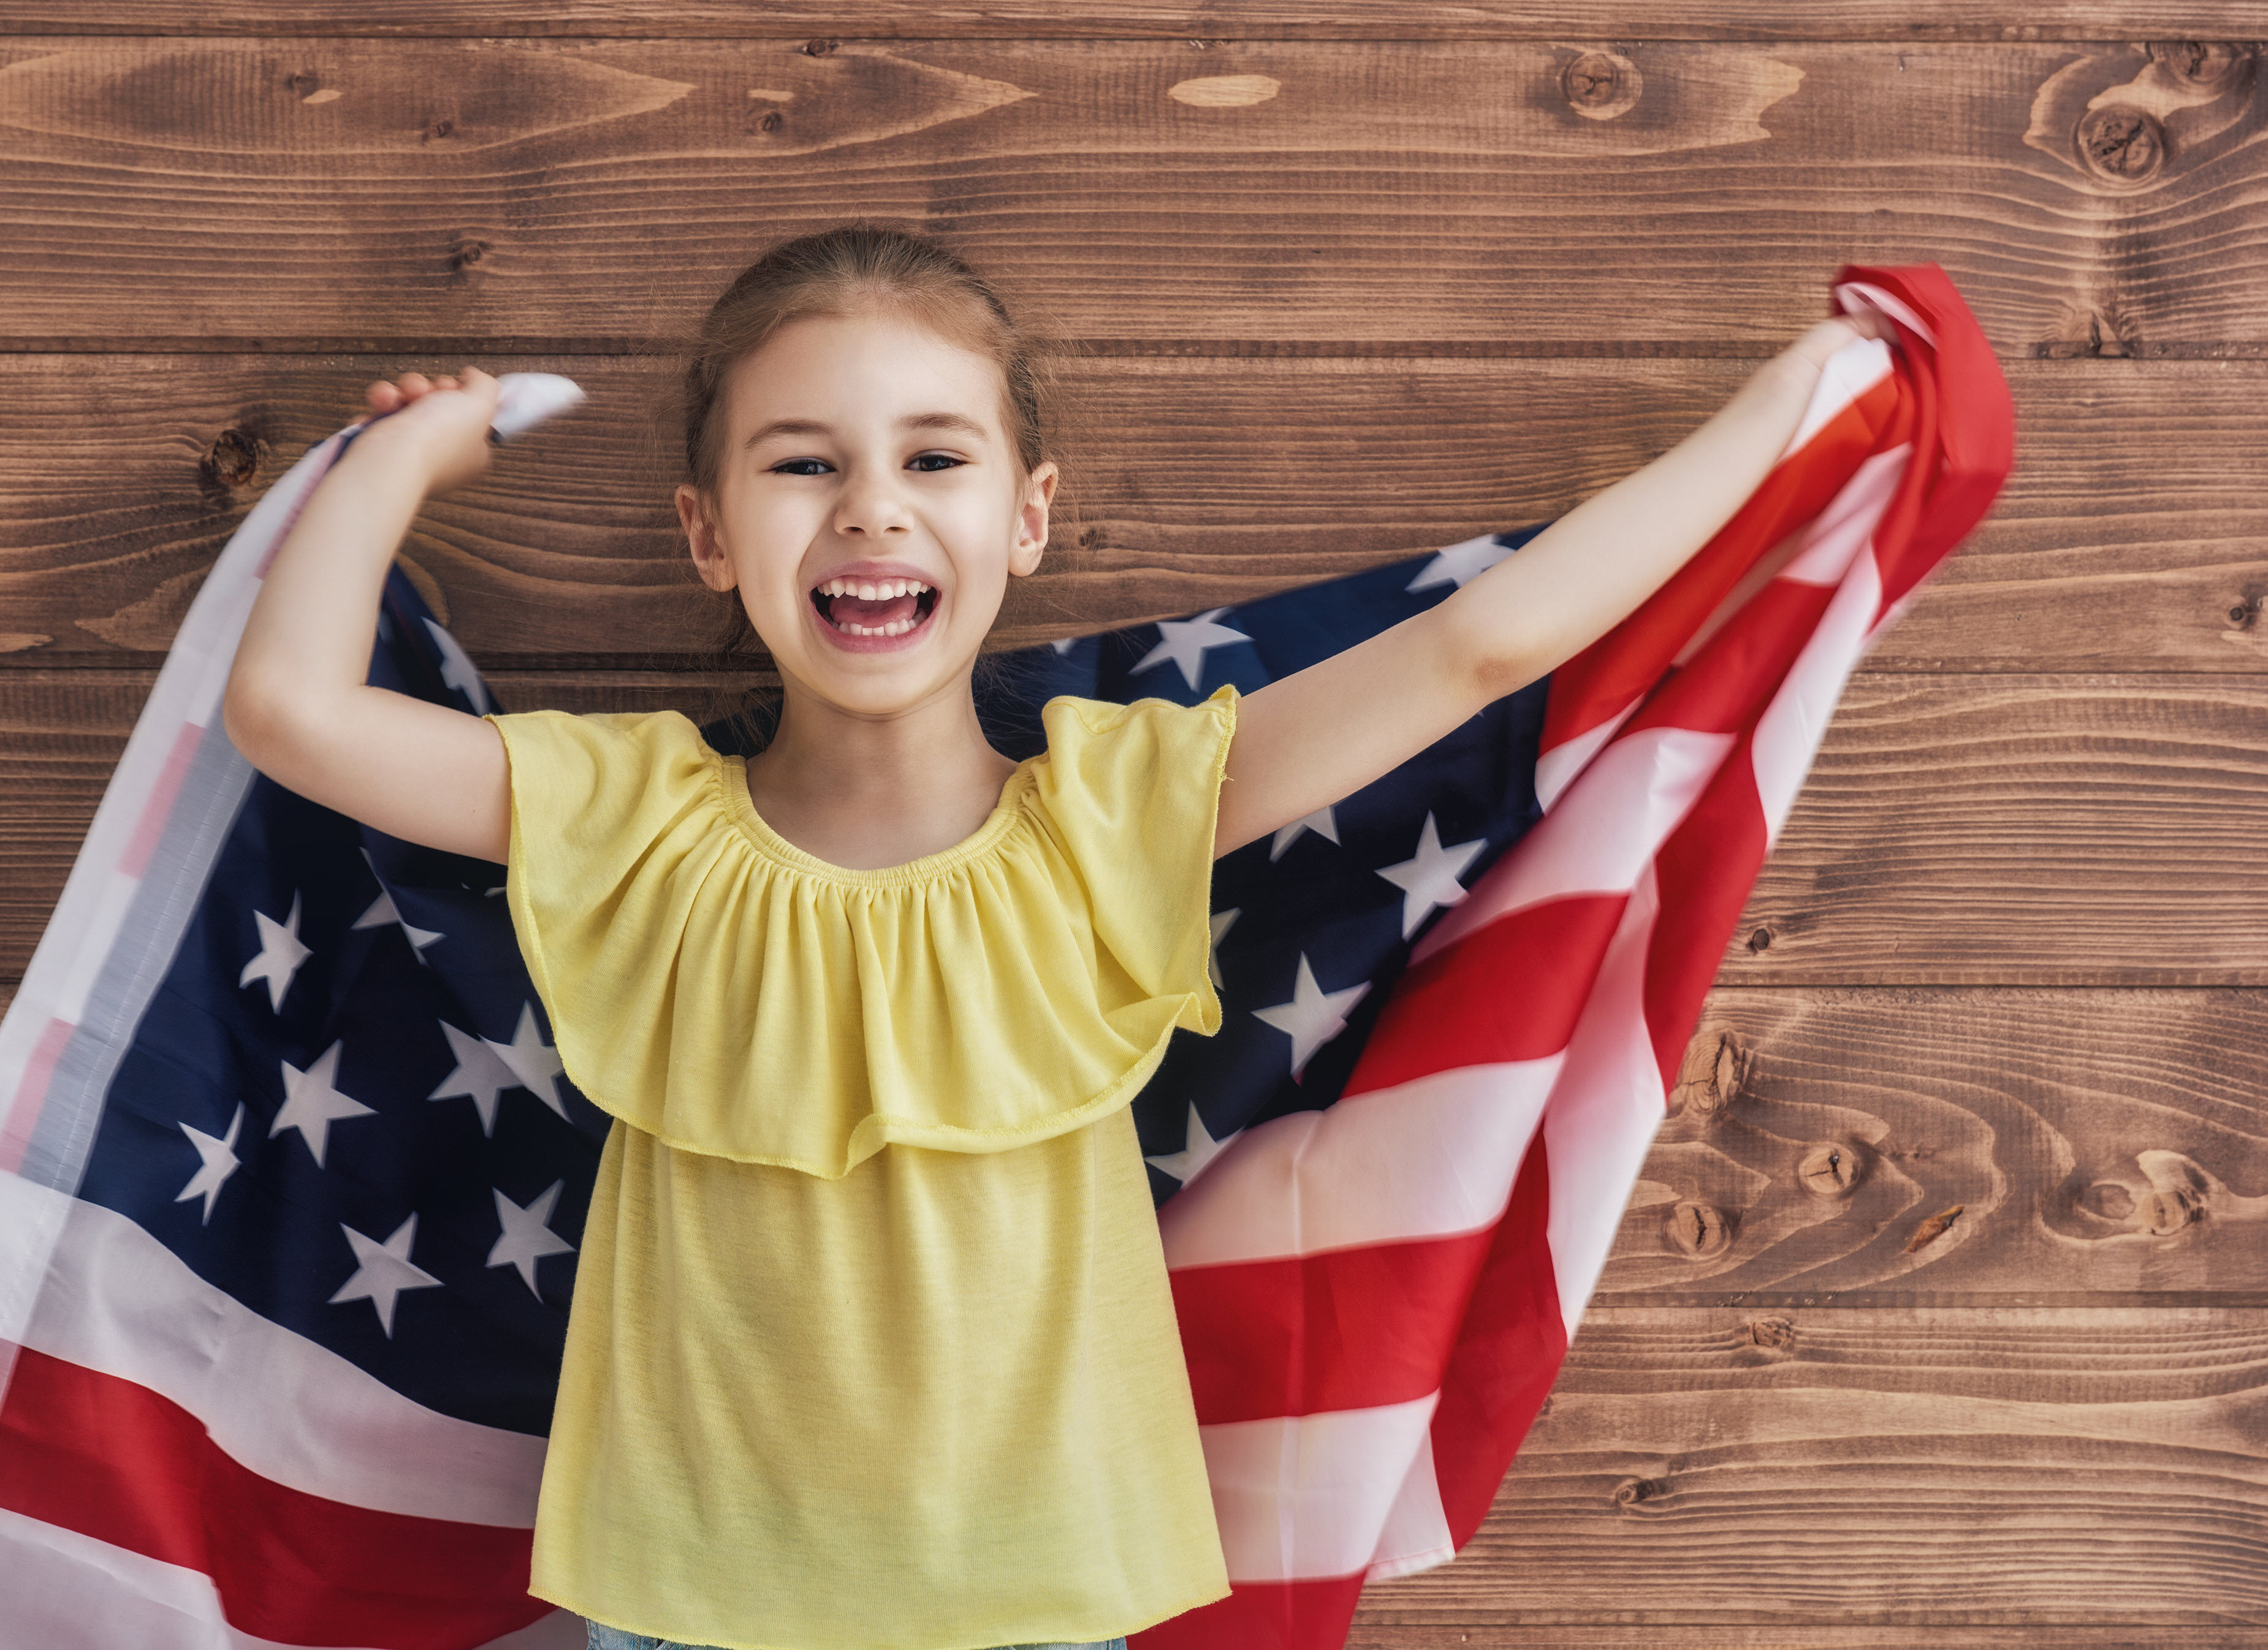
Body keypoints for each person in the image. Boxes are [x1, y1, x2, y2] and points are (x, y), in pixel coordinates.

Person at [220, 224, 1892, 1650]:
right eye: (804, 461)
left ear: (1025, 518)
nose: (871, 508)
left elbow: (1482, 649)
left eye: (933, 456)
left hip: (1039, 1591)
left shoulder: (1117, 810)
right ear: (707, 533)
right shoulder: (627, 811)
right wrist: (401, 461)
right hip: (691, 1595)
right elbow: (290, 712)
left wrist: (1796, 403)